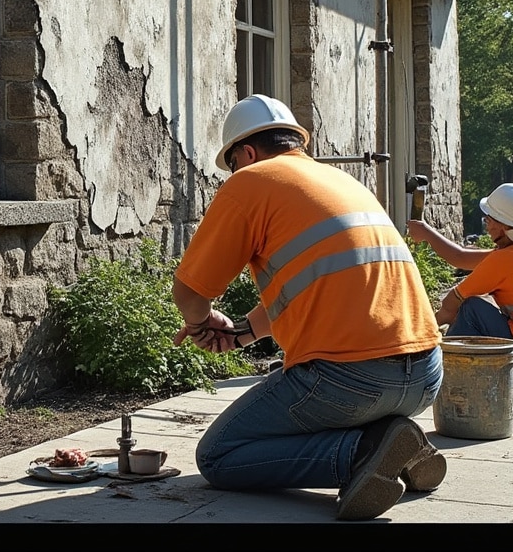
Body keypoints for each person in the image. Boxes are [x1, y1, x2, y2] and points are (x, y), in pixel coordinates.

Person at [170, 94, 445, 522]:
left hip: (352, 381)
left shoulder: (251, 181)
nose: (235, 173)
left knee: (220, 455)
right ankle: (394, 441)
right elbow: (309, 286)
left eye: (234, 165)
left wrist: (199, 321)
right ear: (294, 142)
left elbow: (189, 293)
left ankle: (363, 452)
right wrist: (242, 332)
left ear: (245, 153)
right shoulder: (341, 182)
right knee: (310, 391)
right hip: (426, 375)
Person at [405, 182, 513, 372]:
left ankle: (439, 368)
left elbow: (449, 307)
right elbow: (461, 257)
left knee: (471, 307)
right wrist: (426, 232)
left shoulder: (504, 260)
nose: (486, 224)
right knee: (471, 310)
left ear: (503, 226)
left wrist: (417, 338)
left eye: (489, 219)